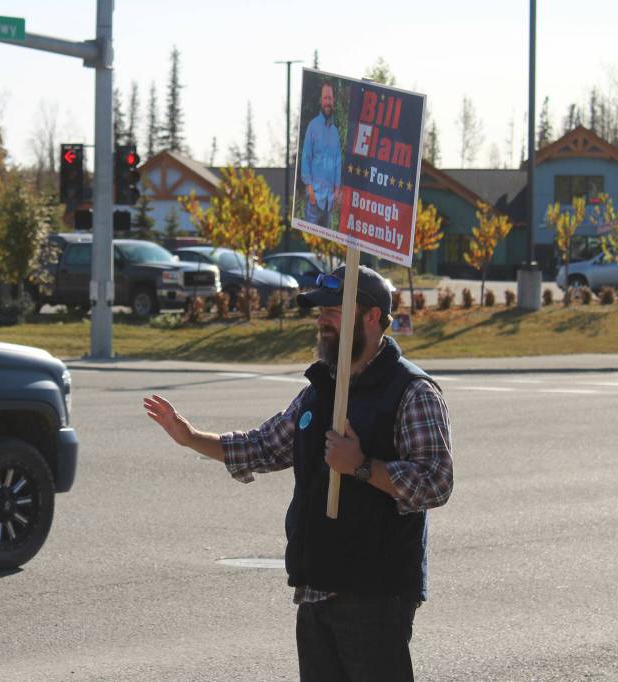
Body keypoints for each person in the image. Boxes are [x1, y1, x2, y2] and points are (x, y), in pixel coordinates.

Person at [143, 265, 453, 682]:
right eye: (320, 311)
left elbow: (436, 481)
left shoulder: (411, 392)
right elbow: (262, 446)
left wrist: (362, 466)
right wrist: (190, 437)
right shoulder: (320, 390)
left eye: (333, 309)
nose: (322, 319)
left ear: (372, 318)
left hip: (375, 593)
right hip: (316, 588)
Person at [300, 81, 343, 228]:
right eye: (325, 98)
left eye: (330, 98)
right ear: (320, 101)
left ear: (333, 101)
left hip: (329, 204)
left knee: (325, 248)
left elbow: (338, 163)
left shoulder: (335, 133)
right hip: (314, 201)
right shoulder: (313, 127)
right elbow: (306, 158)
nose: (328, 102)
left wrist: (337, 191)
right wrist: (310, 191)